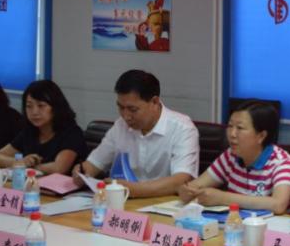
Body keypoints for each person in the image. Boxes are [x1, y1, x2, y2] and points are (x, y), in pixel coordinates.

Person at [73, 69, 198, 197]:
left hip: (163, 204)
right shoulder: (120, 125)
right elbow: (94, 164)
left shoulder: (182, 128)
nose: (126, 116)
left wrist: (132, 190)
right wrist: (82, 172)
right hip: (122, 202)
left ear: (154, 102)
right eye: (121, 107)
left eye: (132, 109)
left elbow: (181, 180)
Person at [177, 100, 290, 215]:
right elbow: (196, 185)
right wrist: (187, 191)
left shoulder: (282, 162)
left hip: (279, 229)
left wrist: (223, 198)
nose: (232, 134)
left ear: (261, 136)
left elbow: (279, 205)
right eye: (230, 126)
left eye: (240, 128)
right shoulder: (230, 155)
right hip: (240, 224)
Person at [0, 80, 89, 175]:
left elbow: (59, 168)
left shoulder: (72, 133)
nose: (34, 112)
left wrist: (27, 166)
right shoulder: (29, 132)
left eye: (41, 106)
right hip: (34, 183)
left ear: (56, 107)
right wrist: (20, 162)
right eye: (29, 106)